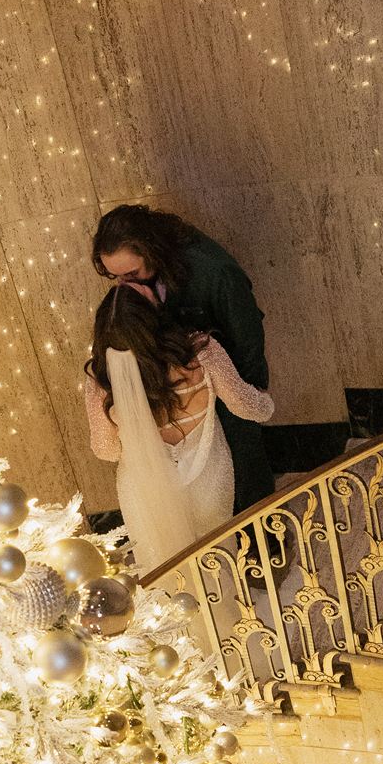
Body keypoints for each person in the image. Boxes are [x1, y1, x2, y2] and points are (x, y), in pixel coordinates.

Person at [91, 205, 272, 513]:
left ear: (153, 251)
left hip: (230, 382)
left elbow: (248, 345)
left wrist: (247, 400)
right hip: (187, 398)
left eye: (131, 274)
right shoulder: (142, 282)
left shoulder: (215, 273)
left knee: (245, 472)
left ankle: (267, 544)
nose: (124, 286)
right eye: (114, 277)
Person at [84, 284, 273, 576]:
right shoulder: (200, 353)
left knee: (164, 572)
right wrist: (266, 401)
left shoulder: (101, 380)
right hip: (207, 479)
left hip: (144, 489)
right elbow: (247, 407)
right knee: (216, 560)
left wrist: (139, 433)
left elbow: (106, 450)